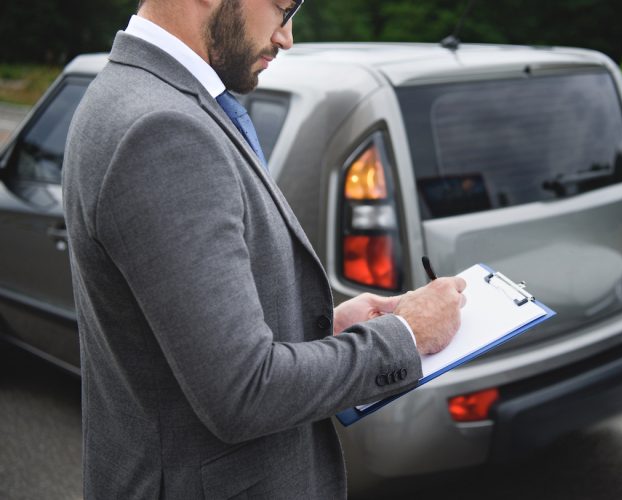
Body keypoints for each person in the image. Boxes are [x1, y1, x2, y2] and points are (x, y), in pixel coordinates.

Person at [62, 0, 466, 498]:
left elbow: (181, 338)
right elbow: (243, 393)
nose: (287, 37)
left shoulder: (136, 94)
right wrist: (408, 335)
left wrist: (327, 327)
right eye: (283, 7)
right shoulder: (163, 128)